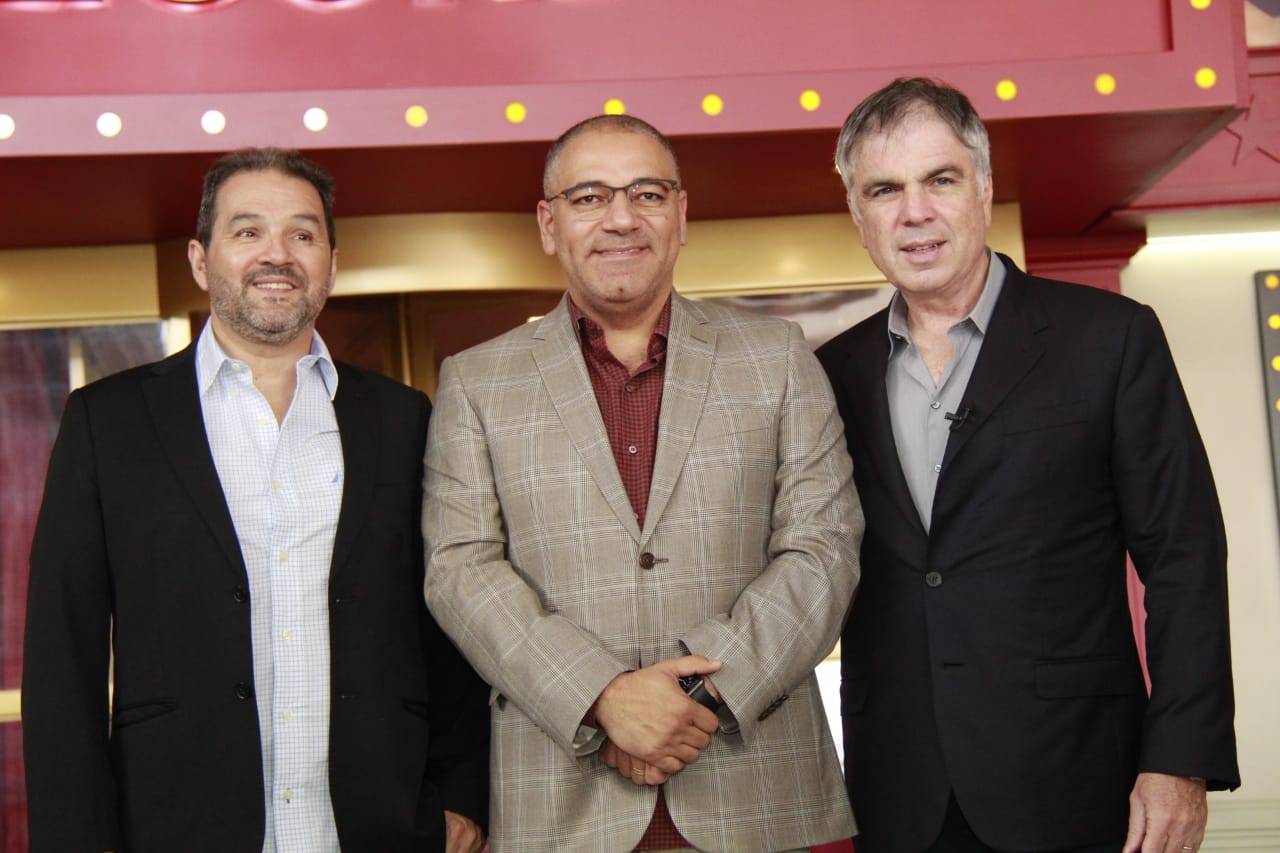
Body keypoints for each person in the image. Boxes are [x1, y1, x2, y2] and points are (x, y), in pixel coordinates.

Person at [22, 147, 489, 853]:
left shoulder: (403, 419)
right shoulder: (107, 422)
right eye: (247, 232)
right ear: (199, 259)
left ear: (332, 262)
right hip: (177, 830)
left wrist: (461, 797)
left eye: (302, 234)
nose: (278, 254)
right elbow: (63, 657)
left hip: (378, 829)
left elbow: (449, 618)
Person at [815, 77, 1240, 853]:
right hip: (898, 793)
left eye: (940, 180)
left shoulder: (1110, 339)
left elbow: (1184, 555)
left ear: (982, 186)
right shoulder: (829, 374)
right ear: (857, 212)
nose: (915, 211)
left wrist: (1180, 757)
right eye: (885, 189)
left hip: (1077, 781)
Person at [422, 114, 862, 852]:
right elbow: (459, 569)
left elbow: (825, 549)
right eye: (589, 197)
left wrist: (689, 698)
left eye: (647, 194)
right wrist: (603, 697)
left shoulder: (778, 358)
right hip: (560, 807)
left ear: (680, 216)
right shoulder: (476, 382)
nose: (621, 218)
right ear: (549, 224)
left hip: (756, 797)